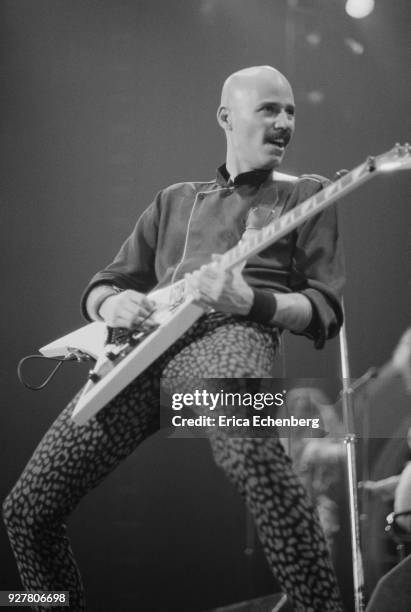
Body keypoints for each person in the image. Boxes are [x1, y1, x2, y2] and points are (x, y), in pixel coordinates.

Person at [3, 66, 345, 611]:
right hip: (139, 350)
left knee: (249, 446)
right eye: (269, 109)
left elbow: (324, 310)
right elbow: (105, 283)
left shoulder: (306, 194)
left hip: (231, 331)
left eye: (291, 111)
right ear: (226, 118)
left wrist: (250, 302)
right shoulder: (174, 200)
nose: (284, 122)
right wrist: (110, 303)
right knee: (25, 510)